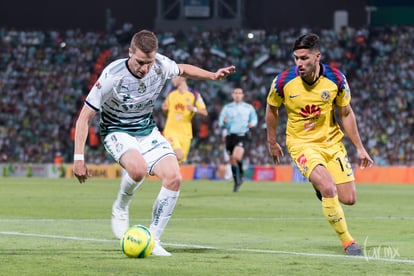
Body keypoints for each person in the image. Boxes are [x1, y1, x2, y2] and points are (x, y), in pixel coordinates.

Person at [72, 29, 235, 256]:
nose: (145, 68)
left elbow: (184, 69)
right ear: (130, 52)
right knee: (138, 171)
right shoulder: (112, 75)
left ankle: (153, 238)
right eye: (140, 62)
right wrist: (79, 158)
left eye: (149, 62)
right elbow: (84, 117)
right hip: (116, 130)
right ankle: (120, 207)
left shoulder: (160, 64)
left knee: (174, 178)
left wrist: (213, 76)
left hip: (147, 130)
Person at [265, 33, 373, 256]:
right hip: (301, 143)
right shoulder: (283, 81)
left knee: (348, 199)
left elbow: (346, 112)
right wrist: (272, 141)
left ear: (317, 56)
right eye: (296, 58)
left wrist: (360, 147)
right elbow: (271, 109)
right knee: (328, 187)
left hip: (332, 142)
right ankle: (348, 242)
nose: (299, 64)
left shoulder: (336, 79)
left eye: (304, 58)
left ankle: (321, 188)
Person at [218, 88, 258, 192]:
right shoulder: (227, 108)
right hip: (230, 136)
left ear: (243, 95)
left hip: (242, 135)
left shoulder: (248, 108)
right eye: (235, 93)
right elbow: (221, 123)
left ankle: (241, 174)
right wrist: (224, 122)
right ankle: (237, 181)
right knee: (232, 160)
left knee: (236, 157)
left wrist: (252, 124)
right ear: (232, 95)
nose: (237, 95)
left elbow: (254, 119)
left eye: (239, 93)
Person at [161, 76, 208, 163]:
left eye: (174, 77)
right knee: (178, 155)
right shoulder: (171, 94)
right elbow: (166, 111)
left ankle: (167, 174)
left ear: (182, 78)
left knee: (180, 161)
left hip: (185, 133)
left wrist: (194, 109)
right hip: (170, 130)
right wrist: (164, 109)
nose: (172, 80)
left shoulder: (194, 94)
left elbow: (204, 112)